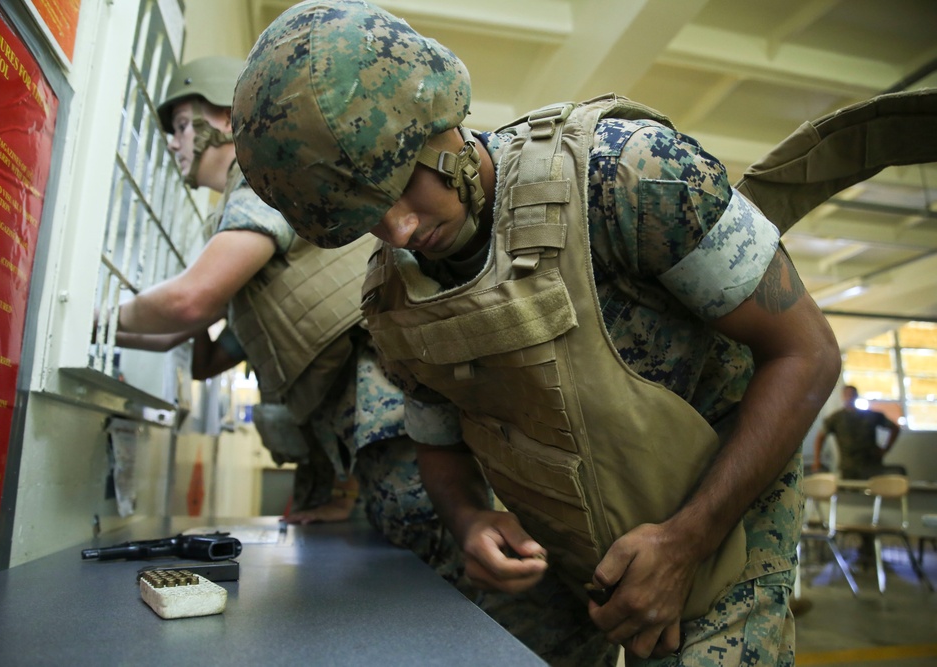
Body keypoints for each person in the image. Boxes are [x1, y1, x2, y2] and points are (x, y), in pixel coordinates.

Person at [230, 2, 843, 664]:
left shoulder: (631, 175)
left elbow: (806, 353)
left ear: (439, 121)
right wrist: (470, 521)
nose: (401, 230)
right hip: (560, 542)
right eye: (370, 219)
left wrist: (686, 543)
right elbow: (437, 439)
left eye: (403, 188)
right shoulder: (397, 294)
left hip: (719, 516)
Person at [111, 56, 459, 573]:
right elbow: (199, 350)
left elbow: (190, 301)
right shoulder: (240, 208)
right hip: (362, 414)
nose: (173, 141)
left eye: (184, 125)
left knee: (441, 549)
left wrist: (94, 320)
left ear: (228, 120)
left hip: (385, 400)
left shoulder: (262, 180)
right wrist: (114, 333)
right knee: (414, 551)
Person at [812, 385, 905, 479]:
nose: (850, 397)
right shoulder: (836, 418)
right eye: (847, 394)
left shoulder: (870, 415)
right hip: (849, 467)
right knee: (849, 491)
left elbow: (894, 428)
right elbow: (820, 437)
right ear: (843, 396)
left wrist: (886, 449)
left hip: (871, 464)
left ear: (856, 396)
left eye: (852, 394)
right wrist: (817, 460)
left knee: (875, 489)